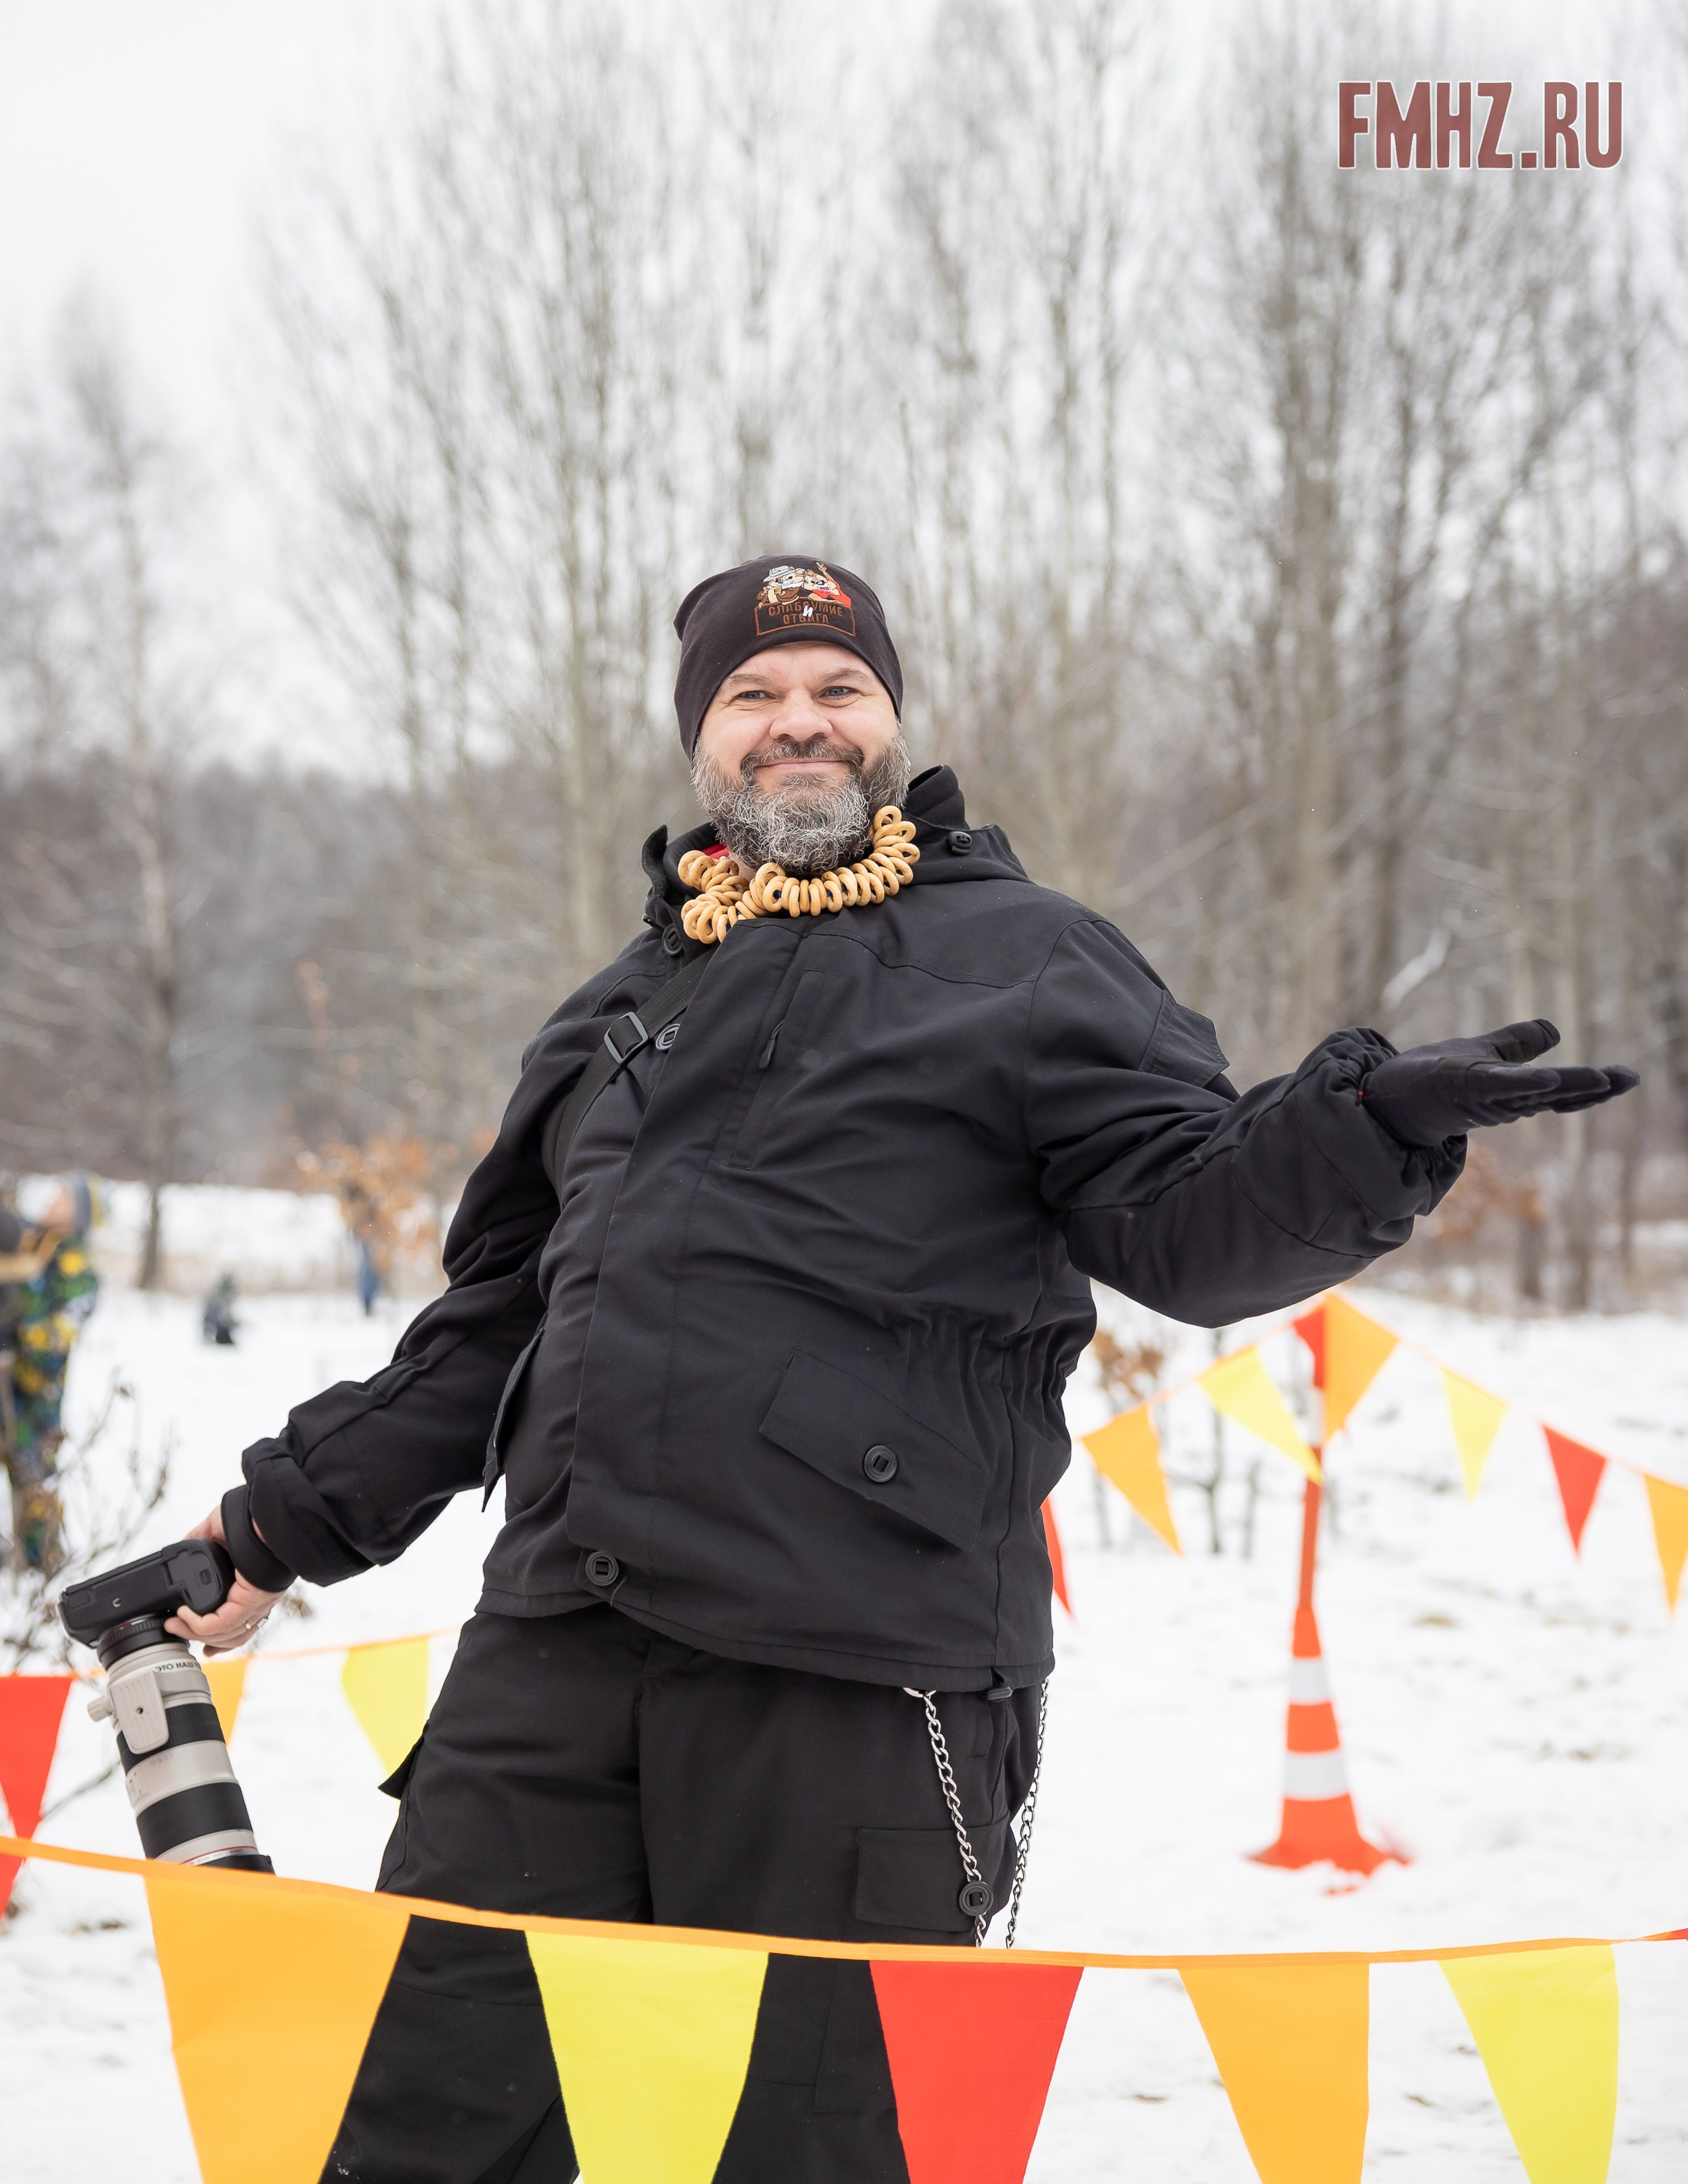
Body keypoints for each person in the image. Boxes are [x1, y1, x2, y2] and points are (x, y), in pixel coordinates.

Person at [170, 557, 1636, 2184]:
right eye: (754, 694)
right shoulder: (617, 1010)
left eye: (836, 690)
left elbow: (1188, 1220)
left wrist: (1356, 1132)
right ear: (701, 741)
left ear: (889, 724)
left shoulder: (1029, 959)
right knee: (424, 2137)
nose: (798, 721)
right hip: (550, 1670)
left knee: (812, 2152)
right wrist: (270, 1535)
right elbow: (491, 1326)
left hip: (860, 1689)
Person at [1, 1176, 100, 1572]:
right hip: (9, 1375)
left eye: (62, 1197)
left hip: (37, 1387)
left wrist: (23, 1335)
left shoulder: (71, 1257)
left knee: (35, 1468)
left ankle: (40, 1559)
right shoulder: (30, 1238)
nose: (51, 1201)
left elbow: (62, 1326)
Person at [202, 1272, 240, 1347]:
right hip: (216, 1322)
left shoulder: (223, 1295)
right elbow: (219, 1314)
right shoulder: (219, 1296)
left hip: (219, 1322)